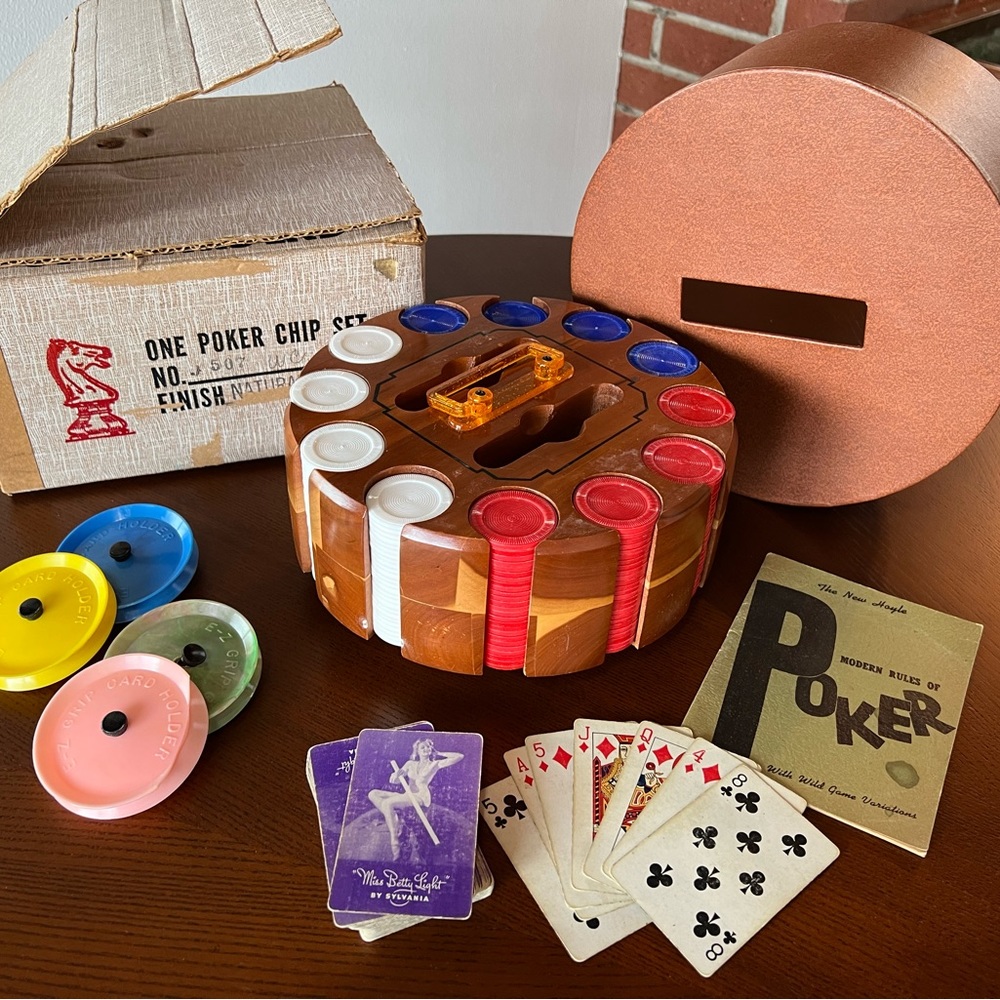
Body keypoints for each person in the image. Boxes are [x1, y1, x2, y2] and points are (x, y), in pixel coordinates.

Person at [368, 738, 464, 859]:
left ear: (431, 749)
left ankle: (394, 839)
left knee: (387, 803)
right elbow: (394, 781)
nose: (425, 749)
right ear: (417, 751)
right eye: (422, 747)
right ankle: (394, 819)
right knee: (373, 793)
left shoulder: (434, 764)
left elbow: (459, 756)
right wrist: (397, 775)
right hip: (407, 795)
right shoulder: (410, 764)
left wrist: (439, 753)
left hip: (421, 797)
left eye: (428, 747)